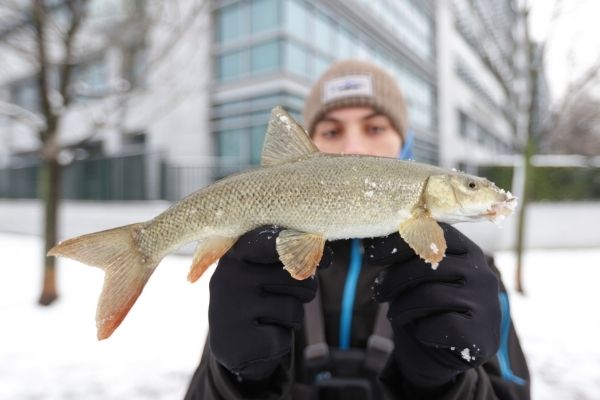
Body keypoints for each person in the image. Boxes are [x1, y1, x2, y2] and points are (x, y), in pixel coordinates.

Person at [184, 60, 530, 399]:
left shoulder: (468, 277)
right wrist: (234, 381)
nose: (354, 148)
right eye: (332, 131)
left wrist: (449, 386)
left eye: (375, 128)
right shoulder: (259, 269)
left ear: (405, 145)